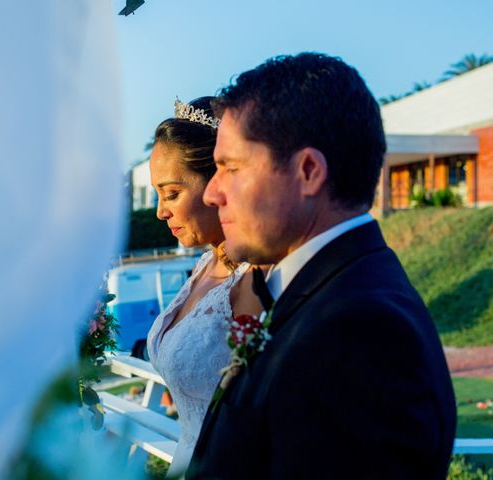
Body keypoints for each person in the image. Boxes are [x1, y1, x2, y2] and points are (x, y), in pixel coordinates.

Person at [187, 53, 457, 479]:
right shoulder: (325, 292)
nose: (212, 194)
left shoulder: (361, 333)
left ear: (308, 171)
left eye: (230, 168)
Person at [145, 97, 265, 477]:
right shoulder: (203, 264)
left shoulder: (251, 280)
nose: (161, 211)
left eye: (172, 193)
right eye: (158, 195)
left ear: (217, 181)